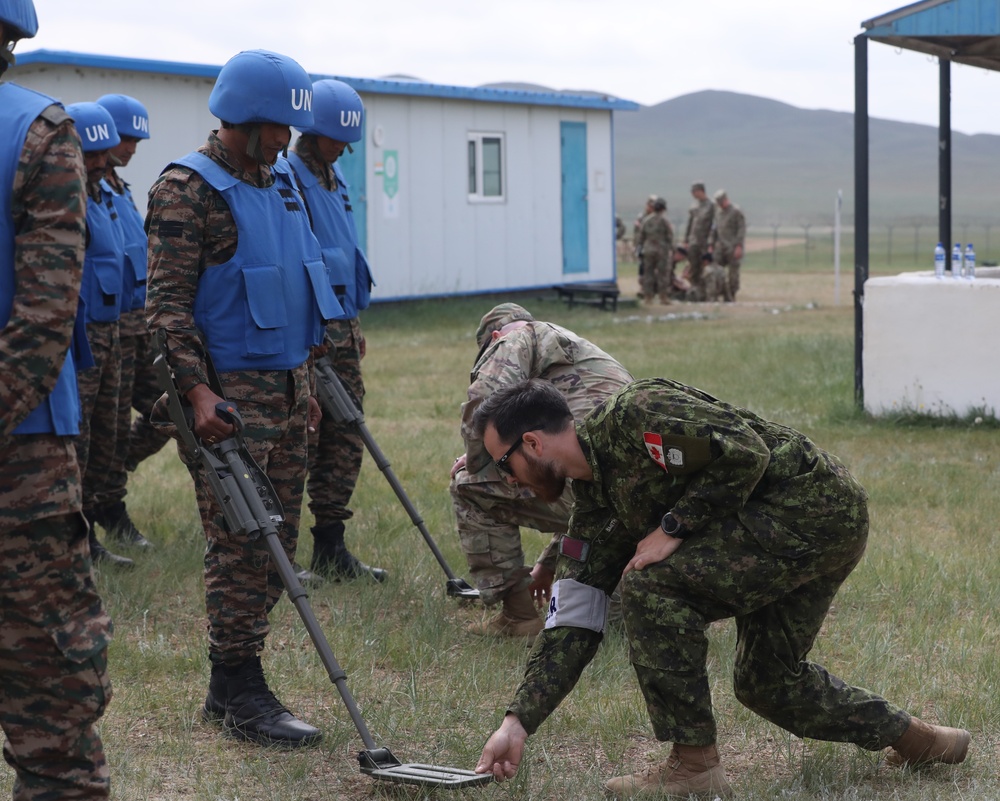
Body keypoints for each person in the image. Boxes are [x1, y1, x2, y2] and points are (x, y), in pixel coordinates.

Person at [472, 378, 971, 798]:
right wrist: (517, 723)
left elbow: (745, 452)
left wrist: (672, 527)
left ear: (533, 443)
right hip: (794, 528)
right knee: (766, 682)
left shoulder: (636, 414)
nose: (508, 481)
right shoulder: (596, 508)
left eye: (503, 464)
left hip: (814, 508)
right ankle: (919, 739)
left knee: (651, 587)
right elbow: (573, 617)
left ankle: (695, 766)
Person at [146, 49, 343, 747]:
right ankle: (238, 684)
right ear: (243, 118)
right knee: (239, 543)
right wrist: (197, 392)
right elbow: (166, 309)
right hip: (226, 404)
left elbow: (296, 286)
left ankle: (231, 680)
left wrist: (309, 385)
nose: (287, 141)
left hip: (289, 398)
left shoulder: (279, 185)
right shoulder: (185, 189)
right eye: (278, 129)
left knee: (278, 543)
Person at [0, 0, 114, 796]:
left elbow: (43, 316)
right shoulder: (42, 132)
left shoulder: (37, 134)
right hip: (25, 448)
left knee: (47, 682)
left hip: (23, 450)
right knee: (48, 675)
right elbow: (43, 325)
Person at [450, 303, 633, 640]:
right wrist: (548, 565)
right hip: (634, 500)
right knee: (609, 622)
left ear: (492, 338)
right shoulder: (577, 352)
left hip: (602, 499)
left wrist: (481, 460)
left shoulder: (513, 337)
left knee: (468, 485)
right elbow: (577, 477)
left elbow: (484, 396)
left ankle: (518, 617)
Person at [284, 78, 385, 584]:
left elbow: (343, 257)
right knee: (303, 434)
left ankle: (330, 544)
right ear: (312, 131)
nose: (344, 147)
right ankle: (278, 550)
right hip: (311, 332)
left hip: (342, 327)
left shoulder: (333, 178)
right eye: (335, 138)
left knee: (346, 435)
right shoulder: (290, 178)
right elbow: (300, 261)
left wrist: (352, 322)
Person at [86, 93, 158, 550]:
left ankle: (108, 490)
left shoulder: (118, 188)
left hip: (135, 324)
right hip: (103, 326)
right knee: (98, 426)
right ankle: (101, 506)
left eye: (135, 140)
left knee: (164, 412)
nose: (130, 148)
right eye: (124, 138)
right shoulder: (85, 186)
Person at [65, 100, 134, 569]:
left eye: (103, 153)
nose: (100, 161)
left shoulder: (105, 192)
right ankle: (77, 538)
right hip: (80, 334)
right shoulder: (65, 196)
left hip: (112, 329)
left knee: (107, 435)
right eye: (91, 153)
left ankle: (97, 519)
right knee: (80, 438)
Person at [634, 196, 674, 305]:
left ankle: (648, 297)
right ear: (663, 209)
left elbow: (641, 237)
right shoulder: (665, 221)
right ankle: (663, 297)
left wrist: (639, 250)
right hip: (662, 251)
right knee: (662, 274)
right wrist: (672, 249)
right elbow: (670, 236)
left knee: (648, 274)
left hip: (648, 250)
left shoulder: (646, 220)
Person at [711, 189, 746, 302]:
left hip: (733, 246)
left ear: (726, 199)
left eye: (721, 202)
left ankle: (731, 294)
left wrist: (739, 246)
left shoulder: (736, 211)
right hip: (720, 246)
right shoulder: (718, 212)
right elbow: (715, 229)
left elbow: (741, 229)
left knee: (733, 273)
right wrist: (712, 244)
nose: (720, 205)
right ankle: (717, 292)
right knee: (716, 270)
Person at [683, 182, 714, 302]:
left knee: (704, 267)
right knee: (693, 267)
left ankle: (706, 292)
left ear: (701, 191)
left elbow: (713, 225)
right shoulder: (694, 206)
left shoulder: (711, 205)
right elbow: (690, 223)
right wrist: (686, 239)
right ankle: (695, 292)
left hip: (704, 241)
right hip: (693, 241)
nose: (693, 194)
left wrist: (710, 242)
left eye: (694, 191)